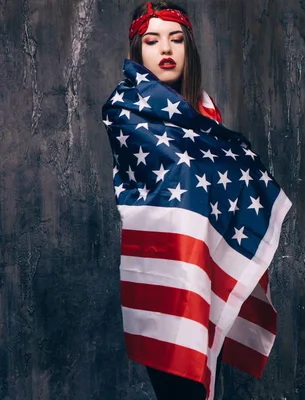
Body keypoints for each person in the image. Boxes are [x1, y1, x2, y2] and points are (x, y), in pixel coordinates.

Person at [101, 2, 292, 399]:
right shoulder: (125, 111)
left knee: (208, 386)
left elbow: (221, 187)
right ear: (137, 50)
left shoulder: (205, 113)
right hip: (165, 273)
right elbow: (181, 176)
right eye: (152, 41)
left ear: (189, 48)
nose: (165, 50)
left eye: (176, 39)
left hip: (205, 271)